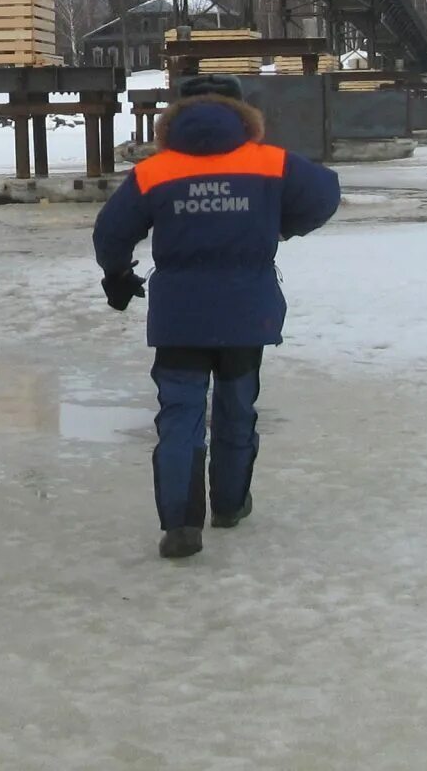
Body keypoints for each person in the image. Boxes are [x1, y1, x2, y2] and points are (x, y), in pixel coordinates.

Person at [92, 73, 341, 560]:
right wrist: (280, 226)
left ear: (175, 117)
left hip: (180, 313)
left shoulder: (156, 171)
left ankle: (182, 524)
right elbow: (325, 196)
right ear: (243, 114)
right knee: (236, 406)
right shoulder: (272, 163)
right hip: (247, 310)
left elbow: (111, 231)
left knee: (181, 414)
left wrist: (117, 273)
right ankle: (229, 504)